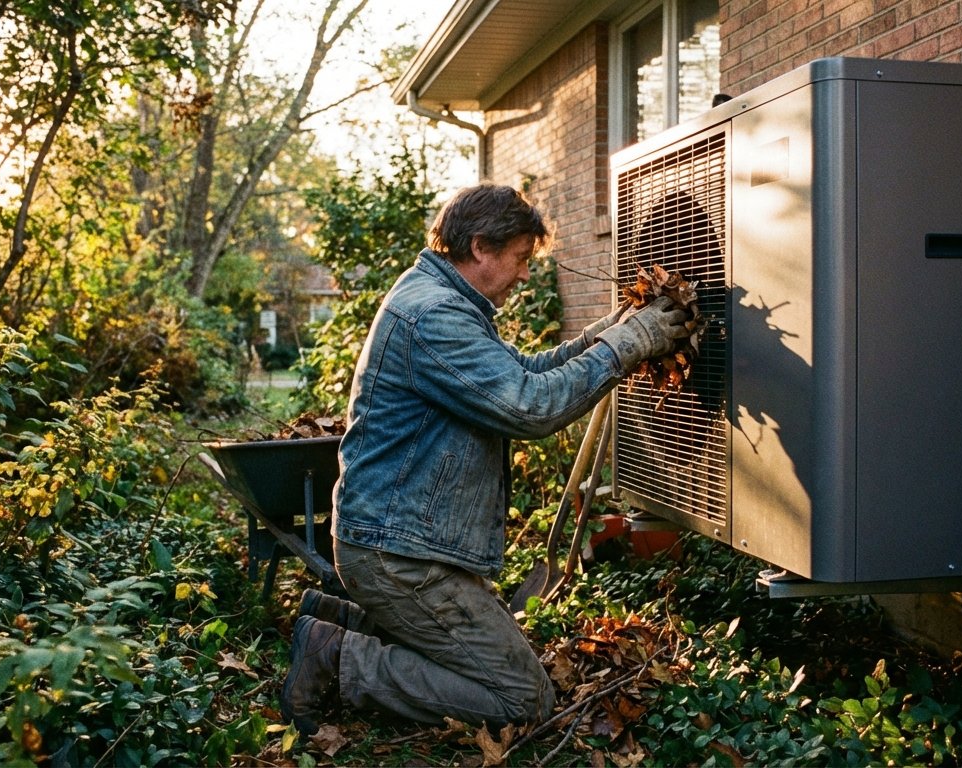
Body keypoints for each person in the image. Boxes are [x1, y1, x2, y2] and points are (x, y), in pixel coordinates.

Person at [280, 183, 689, 735]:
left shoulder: (442, 298)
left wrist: (604, 335)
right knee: (523, 700)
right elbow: (527, 406)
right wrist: (625, 346)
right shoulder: (435, 315)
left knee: (497, 671)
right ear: (480, 247)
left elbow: (519, 374)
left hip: (397, 542)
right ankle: (339, 656)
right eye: (520, 258)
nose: (525, 275)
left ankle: (340, 619)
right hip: (399, 557)